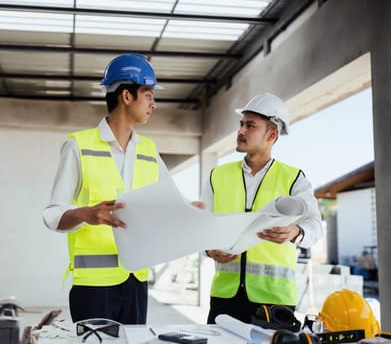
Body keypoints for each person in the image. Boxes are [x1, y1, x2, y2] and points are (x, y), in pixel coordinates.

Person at [42, 53, 170, 324]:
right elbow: (53, 214)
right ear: (126, 96)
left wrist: (186, 211)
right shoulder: (79, 146)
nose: (153, 104)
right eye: (148, 95)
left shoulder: (149, 151)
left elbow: (168, 204)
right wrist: (85, 214)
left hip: (137, 281)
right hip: (93, 287)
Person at [200, 93, 323, 324]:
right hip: (225, 297)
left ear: (272, 134)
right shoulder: (218, 176)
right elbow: (201, 226)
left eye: (250, 125)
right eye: (241, 124)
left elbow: (315, 226)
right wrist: (208, 249)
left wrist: (295, 232)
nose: (241, 131)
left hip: (275, 301)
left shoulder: (294, 179)